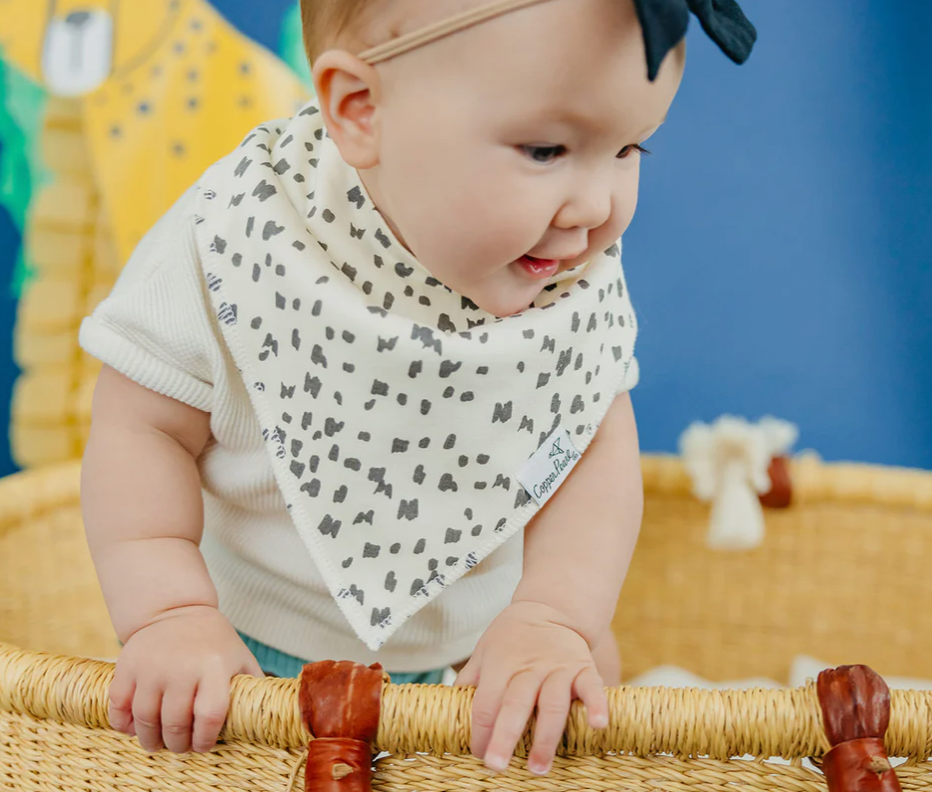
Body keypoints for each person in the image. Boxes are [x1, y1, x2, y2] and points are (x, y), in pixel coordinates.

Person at [78, 0, 755, 776]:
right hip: (247, 658)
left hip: (486, 661)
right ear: (360, 110)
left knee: (585, 670)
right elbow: (143, 428)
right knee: (179, 725)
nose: (599, 207)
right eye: (546, 150)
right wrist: (169, 612)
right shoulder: (242, 238)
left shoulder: (566, 280)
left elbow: (591, 441)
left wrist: (553, 616)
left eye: (629, 148)